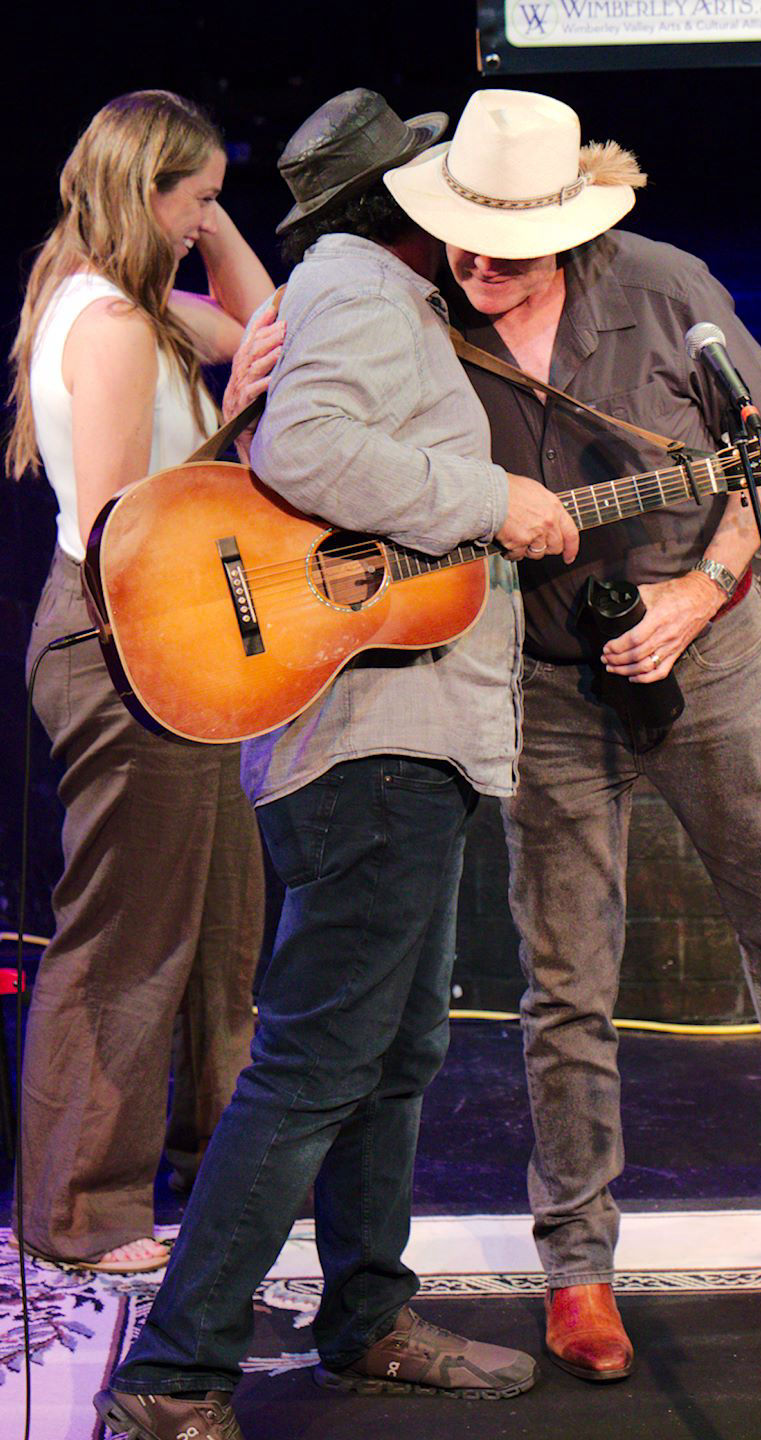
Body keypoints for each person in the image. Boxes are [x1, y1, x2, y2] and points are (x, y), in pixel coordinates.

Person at [381, 89, 761, 1383]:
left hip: (711, 657)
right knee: (566, 984)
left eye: (509, 245)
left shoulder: (667, 289)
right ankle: (577, 1262)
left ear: (567, 231)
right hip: (548, 686)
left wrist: (700, 592)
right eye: (466, 236)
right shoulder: (423, 315)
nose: (479, 263)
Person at [96, 87, 579, 1440]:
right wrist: (492, 499)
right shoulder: (361, 286)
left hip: (407, 745)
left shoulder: (384, 297)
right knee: (316, 1061)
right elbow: (307, 446)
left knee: (397, 1050)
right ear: (399, 201)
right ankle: (175, 1374)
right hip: (375, 753)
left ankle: (367, 1315)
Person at [5, 90, 274, 1275]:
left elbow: (267, 328)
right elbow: (124, 526)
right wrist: (232, 438)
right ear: (140, 190)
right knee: (128, 935)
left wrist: (216, 224)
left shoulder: (137, 303)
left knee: (219, 922)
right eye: (194, 200)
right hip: (125, 641)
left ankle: (222, 1167)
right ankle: (80, 1209)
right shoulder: (112, 323)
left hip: (179, 641)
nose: (204, 221)